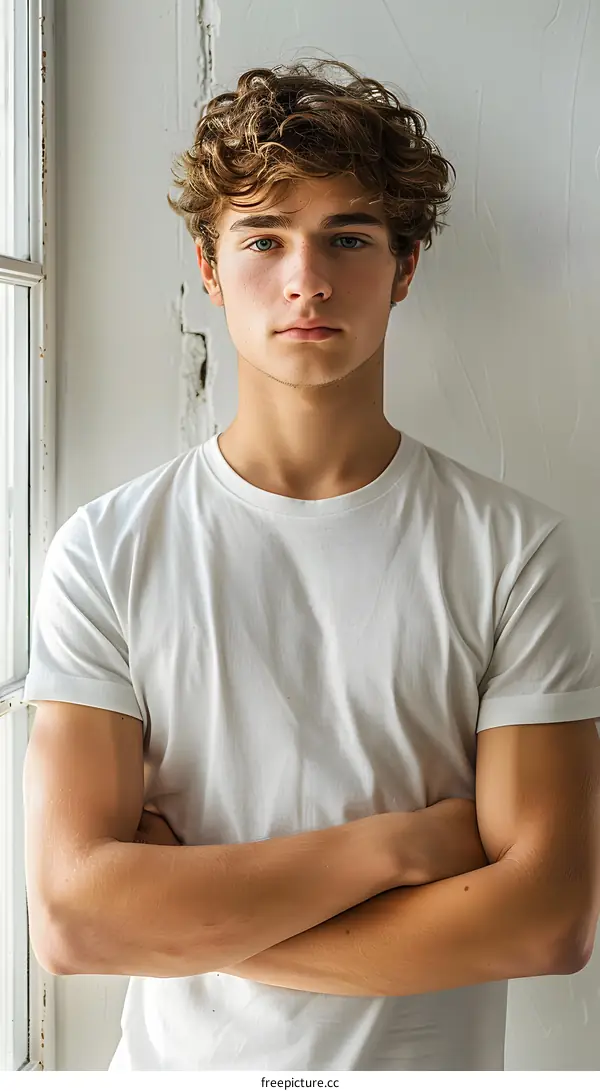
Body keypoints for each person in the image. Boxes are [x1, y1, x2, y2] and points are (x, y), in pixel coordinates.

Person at [22, 59, 600, 1072]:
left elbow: (546, 920)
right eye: (263, 238)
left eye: (349, 237)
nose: (307, 279)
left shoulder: (516, 551)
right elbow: (75, 922)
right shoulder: (106, 551)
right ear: (208, 268)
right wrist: (402, 849)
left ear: (404, 265)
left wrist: (182, 914)